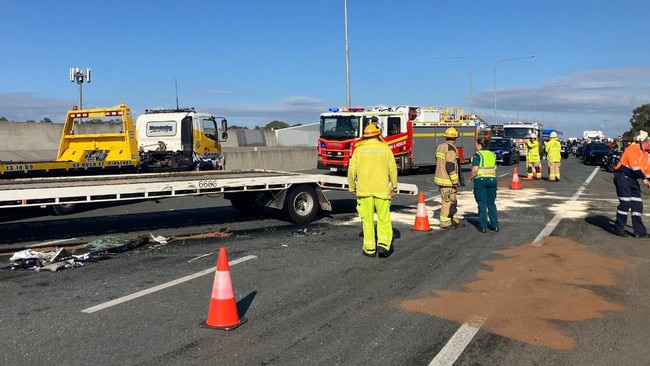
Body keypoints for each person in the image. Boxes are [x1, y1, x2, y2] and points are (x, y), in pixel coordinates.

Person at [347, 121, 398, 257]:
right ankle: (383, 245)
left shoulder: (358, 150)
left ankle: (369, 248)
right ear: (378, 135)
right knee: (384, 219)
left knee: (367, 220)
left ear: (365, 136)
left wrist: (352, 187)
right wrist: (394, 186)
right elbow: (392, 168)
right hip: (382, 190)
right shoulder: (385, 149)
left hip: (364, 190)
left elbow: (352, 171)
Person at [613, 130, 650, 238]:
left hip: (632, 178)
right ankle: (619, 228)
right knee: (625, 202)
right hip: (622, 175)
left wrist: (648, 180)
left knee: (637, 203)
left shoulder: (646, 155)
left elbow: (647, 171)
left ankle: (639, 231)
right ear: (647, 142)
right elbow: (636, 167)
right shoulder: (634, 148)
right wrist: (644, 179)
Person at [434, 127, 464, 229]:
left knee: (452, 200)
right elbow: (450, 166)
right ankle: (445, 222)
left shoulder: (440, 147)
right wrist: (455, 180)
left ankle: (453, 219)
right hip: (447, 181)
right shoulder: (451, 149)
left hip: (441, 179)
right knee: (447, 201)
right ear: (455, 138)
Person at [468, 138, 499, 233]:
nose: (475, 146)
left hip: (481, 180)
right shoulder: (492, 154)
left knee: (482, 203)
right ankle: (495, 225)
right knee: (491, 203)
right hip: (492, 179)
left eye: (476, 144)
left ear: (479, 145)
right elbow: (495, 167)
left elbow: (475, 169)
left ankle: (483, 226)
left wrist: (470, 178)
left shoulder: (477, 155)